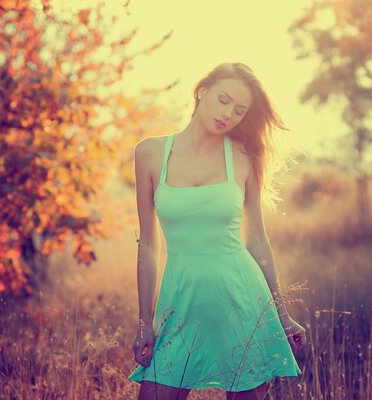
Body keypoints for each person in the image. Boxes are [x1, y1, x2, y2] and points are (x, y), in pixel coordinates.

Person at [128, 62, 307, 400]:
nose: (229, 114)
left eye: (240, 110)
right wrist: (144, 322)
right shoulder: (150, 153)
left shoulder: (245, 156)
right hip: (179, 302)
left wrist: (282, 316)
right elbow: (148, 245)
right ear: (202, 91)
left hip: (241, 300)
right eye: (224, 100)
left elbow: (256, 239)